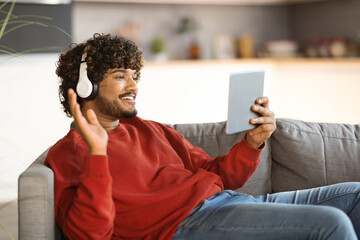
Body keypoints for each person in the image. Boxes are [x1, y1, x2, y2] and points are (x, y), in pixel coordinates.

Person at [46, 33, 360, 240]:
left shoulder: (152, 130)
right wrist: (98, 155)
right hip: (184, 226)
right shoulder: (69, 153)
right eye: (120, 76)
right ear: (86, 86)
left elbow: (218, 175)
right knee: (330, 226)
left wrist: (252, 143)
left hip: (228, 204)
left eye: (134, 75)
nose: (133, 86)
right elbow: (89, 234)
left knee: (356, 196)